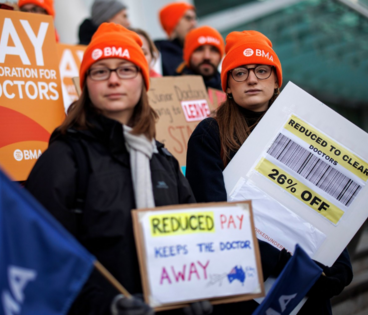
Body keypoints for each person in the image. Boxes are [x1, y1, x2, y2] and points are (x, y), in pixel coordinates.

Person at [25, 23, 211, 315]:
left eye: (126, 69)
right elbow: (41, 256)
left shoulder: (163, 160)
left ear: (142, 81)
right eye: (100, 71)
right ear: (87, 83)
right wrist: (105, 307)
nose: (113, 80)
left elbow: (193, 242)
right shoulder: (62, 159)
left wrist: (199, 290)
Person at [185, 30, 353, 315]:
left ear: (276, 81)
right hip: (244, 292)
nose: (251, 79)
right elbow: (213, 217)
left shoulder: (308, 132)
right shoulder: (209, 135)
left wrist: (339, 262)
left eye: (262, 71)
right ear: (227, 85)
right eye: (240, 73)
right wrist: (286, 264)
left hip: (309, 293)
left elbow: (324, 204)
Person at [155, 2, 196, 76]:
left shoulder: (199, 52)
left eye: (194, 19)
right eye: (188, 18)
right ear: (173, 22)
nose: (193, 23)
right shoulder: (157, 56)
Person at [176, 26, 223, 90]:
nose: (207, 56)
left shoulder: (230, 90)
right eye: (199, 50)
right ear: (188, 56)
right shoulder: (170, 88)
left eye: (213, 50)